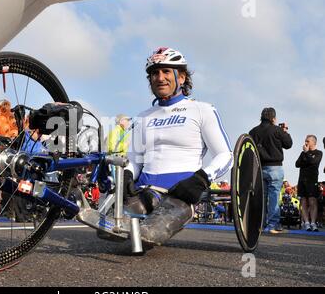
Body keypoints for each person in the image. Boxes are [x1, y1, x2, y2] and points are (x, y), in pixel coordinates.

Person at [123, 47, 233, 245]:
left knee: (146, 236)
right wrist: (128, 174)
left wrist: (201, 179)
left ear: (181, 77)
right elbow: (135, 159)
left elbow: (225, 155)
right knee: (110, 228)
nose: (160, 77)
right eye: (155, 73)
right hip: (146, 190)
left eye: (166, 71)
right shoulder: (143, 116)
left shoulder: (202, 110)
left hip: (181, 193)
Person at [249, 108, 292, 234]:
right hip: (275, 167)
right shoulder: (277, 130)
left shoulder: (253, 131)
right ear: (273, 118)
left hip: (260, 167)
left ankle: (260, 224)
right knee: (274, 196)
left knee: (262, 197)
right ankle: (273, 224)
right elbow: (288, 144)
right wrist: (285, 131)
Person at [295, 135, 322, 231]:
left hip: (312, 180)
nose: (305, 142)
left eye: (308, 141)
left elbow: (314, 162)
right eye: (305, 140)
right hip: (302, 180)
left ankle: (313, 223)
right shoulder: (303, 153)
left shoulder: (319, 153)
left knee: (312, 201)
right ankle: (306, 222)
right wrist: (306, 156)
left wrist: (307, 155)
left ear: (314, 142)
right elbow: (297, 164)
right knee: (303, 201)